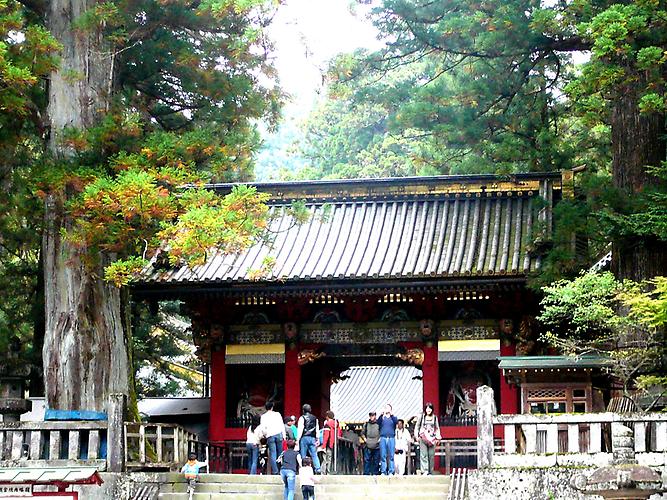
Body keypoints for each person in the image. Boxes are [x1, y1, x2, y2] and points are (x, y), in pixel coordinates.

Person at [414, 402, 441, 475]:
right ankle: (425, 471)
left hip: (432, 439)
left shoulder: (435, 418)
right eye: (427, 408)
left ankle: (430, 471)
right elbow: (417, 426)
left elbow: (437, 428)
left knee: (431, 455)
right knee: (423, 455)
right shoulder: (422, 417)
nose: (428, 410)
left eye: (430, 408)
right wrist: (416, 435)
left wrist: (438, 437)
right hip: (423, 438)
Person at [260, 401, 285, 474]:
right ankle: (280, 469)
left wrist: (265, 434)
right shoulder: (277, 414)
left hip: (270, 435)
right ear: (272, 407)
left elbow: (263, 428)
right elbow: (281, 425)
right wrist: (284, 435)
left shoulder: (263, 416)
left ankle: (275, 471)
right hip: (278, 434)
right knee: (280, 453)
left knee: (273, 453)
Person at [296, 403, 321, 473]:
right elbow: (317, 429)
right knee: (314, 454)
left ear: (303, 410)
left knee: (303, 454)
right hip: (312, 438)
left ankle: (303, 468)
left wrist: (297, 439)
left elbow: (300, 429)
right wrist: (317, 438)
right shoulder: (315, 418)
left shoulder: (302, 418)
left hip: (304, 437)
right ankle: (318, 469)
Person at [377, 403, 398, 475]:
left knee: (391, 456)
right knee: (383, 456)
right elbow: (378, 422)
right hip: (383, 437)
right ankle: (383, 471)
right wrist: (381, 414)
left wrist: (392, 415)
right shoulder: (382, 418)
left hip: (391, 438)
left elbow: (396, 422)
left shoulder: (393, 418)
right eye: (386, 408)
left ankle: (391, 471)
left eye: (388, 408)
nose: (387, 409)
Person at [321, 410, 342, 474]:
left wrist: (323, 446)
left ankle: (323, 472)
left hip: (328, 443)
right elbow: (339, 434)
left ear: (327, 416)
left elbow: (326, 436)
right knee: (330, 458)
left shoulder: (327, 424)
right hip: (334, 443)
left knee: (325, 458)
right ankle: (329, 471)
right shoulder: (337, 424)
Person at [360, 411, 380, 475]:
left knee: (376, 460)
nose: (372, 417)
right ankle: (366, 473)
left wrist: (379, 440)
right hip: (368, 444)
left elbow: (382, 432)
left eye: (373, 415)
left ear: (375, 416)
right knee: (367, 460)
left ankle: (375, 473)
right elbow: (362, 433)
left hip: (377, 445)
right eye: (371, 415)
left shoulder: (379, 424)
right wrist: (365, 439)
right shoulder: (366, 424)